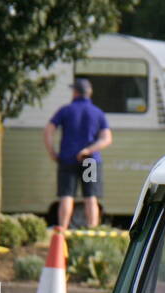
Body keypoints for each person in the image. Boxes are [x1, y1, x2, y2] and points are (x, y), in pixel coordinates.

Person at [44, 78, 112, 228]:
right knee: (90, 197)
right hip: (90, 160)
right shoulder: (98, 113)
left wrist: (52, 152)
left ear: (75, 92)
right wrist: (89, 150)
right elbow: (106, 138)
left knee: (66, 196)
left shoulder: (65, 110)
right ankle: (93, 230)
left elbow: (48, 130)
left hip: (67, 159)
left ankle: (62, 230)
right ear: (89, 93)